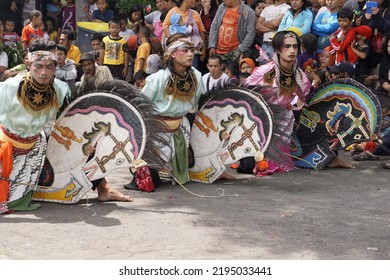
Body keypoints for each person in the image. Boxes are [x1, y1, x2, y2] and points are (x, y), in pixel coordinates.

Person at [140, 33, 205, 184]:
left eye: (192, 50)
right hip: (157, 127)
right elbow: (141, 104)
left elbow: (196, 104)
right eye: (185, 50)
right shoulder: (158, 78)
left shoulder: (197, 76)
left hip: (181, 125)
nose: (190, 54)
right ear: (173, 53)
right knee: (151, 179)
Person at [245, 30, 311, 174]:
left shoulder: (300, 76)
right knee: (247, 164)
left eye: (295, 46)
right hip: (261, 117)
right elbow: (246, 90)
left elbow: (304, 95)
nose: (292, 50)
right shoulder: (264, 72)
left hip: (284, 118)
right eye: (287, 46)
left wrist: (294, 106)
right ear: (277, 49)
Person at [163, 0, 206, 67]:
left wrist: (203, 48)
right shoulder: (173, 12)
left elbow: (201, 31)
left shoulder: (195, 14)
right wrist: (172, 40)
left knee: (192, 70)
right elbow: (165, 26)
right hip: (177, 50)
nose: (195, 1)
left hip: (192, 50)